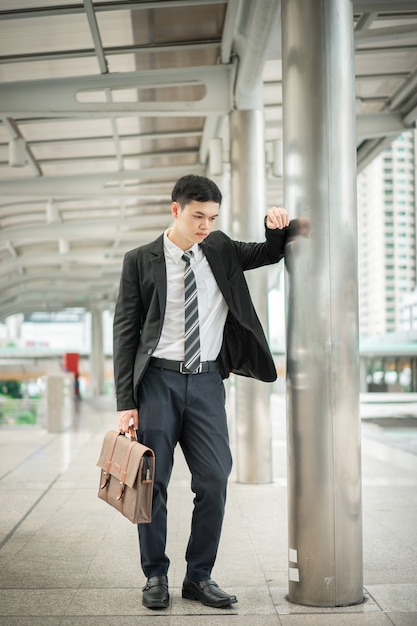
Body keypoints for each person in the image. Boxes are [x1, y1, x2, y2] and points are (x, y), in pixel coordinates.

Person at [113, 174, 293, 610]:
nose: (205, 225)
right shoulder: (140, 259)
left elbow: (270, 252)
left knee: (214, 478)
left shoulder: (221, 249)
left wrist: (277, 227)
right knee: (152, 482)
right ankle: (155, 574)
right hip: (157, 380)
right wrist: (126, 403)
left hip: (208, 381)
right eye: (198, 216)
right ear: (175, 210)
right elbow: (124, 332)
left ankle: (199, 576)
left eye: (212, 217)